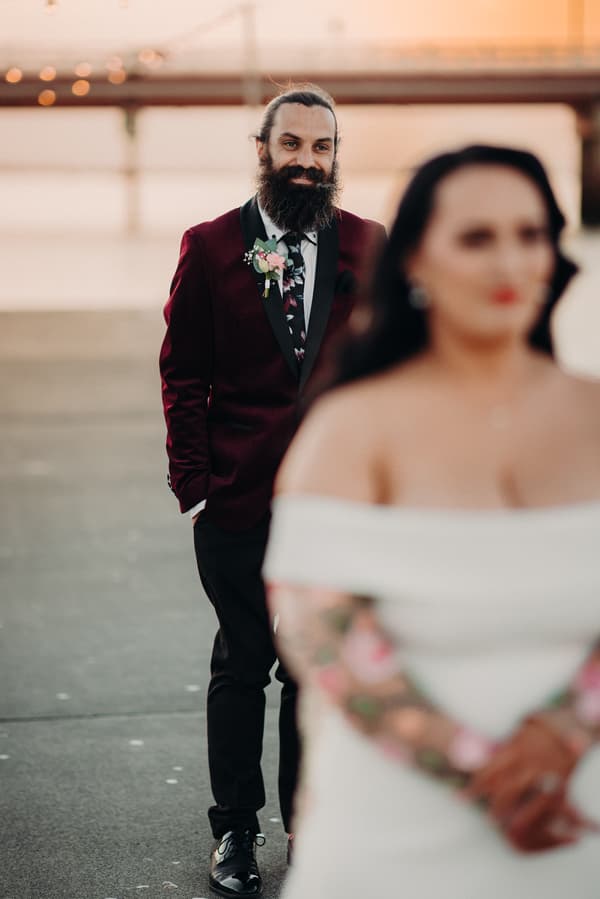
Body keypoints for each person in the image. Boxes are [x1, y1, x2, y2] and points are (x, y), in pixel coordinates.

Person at [264, 144, 600, 897]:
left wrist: (561, 735)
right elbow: (322, 634)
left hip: (577, 825)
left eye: (531, 233)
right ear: (415, 258)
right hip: (396, 838)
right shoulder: (352, 426)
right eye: (476, 238)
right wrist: (486, 770)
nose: (510, 262)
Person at [159, 84, 384, 897]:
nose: (306, 161)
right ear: (264, 150)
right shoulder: (212, 245)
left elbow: (385, 378)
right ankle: (236, 833)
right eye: (291, 145)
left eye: (321, 148)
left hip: (334, 508)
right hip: (235, 500)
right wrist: (194, 486)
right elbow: (182, 373)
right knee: (244, 659)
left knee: (312, 668)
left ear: (334, 157)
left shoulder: (370, 244)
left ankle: (309, 829)